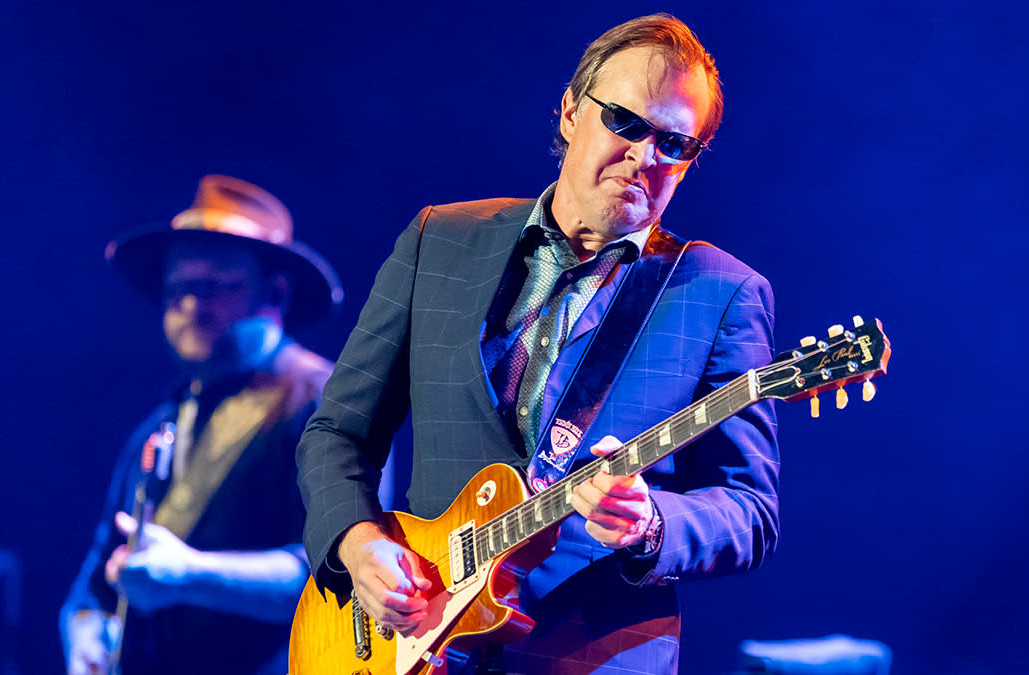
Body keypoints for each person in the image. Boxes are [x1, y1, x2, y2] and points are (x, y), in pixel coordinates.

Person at [297, 13, 779, 674]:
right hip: (410, 645)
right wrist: (357, 542)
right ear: (571, 112)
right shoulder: (438, 239)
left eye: (676, 143)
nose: (646, 156)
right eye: (627, 123)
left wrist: (652, 522)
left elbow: (750, 509)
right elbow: (337, 433)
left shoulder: (720, 292)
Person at [61, 175, 343, 674]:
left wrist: (189, 574)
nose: (191, 306)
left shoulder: (327, 401)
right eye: (177, 289)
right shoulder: (157, 426)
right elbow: (95, 578)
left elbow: (342, 571)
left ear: (274, 291)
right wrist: (84, 631)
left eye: (212, 287)